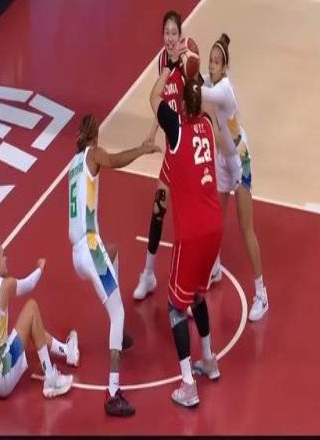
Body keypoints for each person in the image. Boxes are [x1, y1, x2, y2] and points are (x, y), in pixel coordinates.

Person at [68, 114, 159, 416]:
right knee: (117, 312)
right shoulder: (94, 155)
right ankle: (112, 393)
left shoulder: (73, 164)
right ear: (95, 136)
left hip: (78, 252)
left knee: (115, 252)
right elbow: (116, 160)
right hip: (90, 248)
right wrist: (143, 149)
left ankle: (118, 335)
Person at [149, 60, 223, 407]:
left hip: (191, 232)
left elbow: (153, 98)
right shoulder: (207, 124)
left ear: (181, 102)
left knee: (175, 305)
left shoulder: (176, 128)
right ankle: (208, 360)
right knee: (198, 295)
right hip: (214, 227)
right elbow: (202, 107)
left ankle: (187, 384)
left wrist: (170, 67)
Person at [200, 33, 268, 322]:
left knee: (245, 227)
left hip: (240, 159)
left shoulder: (224, 89)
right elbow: (200, 81)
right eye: (210, 61)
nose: (212, 66)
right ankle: (214, 266)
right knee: (215, 219)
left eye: (217, 62)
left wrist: (187, 76)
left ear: (225, 67)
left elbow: (201, 92)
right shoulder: (210, 81)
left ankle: (261, 294)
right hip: (222, 158)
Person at [0, 241, 77, 399]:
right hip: (2, 374)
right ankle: (51, 378)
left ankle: (67, 351)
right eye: (3, 255)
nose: (6, 258)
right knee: (31, 308)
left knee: (31, 325)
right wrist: (40, 268)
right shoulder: (5, 285)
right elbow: (29, 284)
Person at [133, 10, 187, 301]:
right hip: (171, 150)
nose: (169, 37)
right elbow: (160, 101)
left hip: (186, 150)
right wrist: (153, 132)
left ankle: (206, 269)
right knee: (159, 208)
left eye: (174, 33)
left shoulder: (188, 62)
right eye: (166, 32)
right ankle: (148, 274)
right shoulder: (162, 61)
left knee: (189, 217)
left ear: (181, 35)